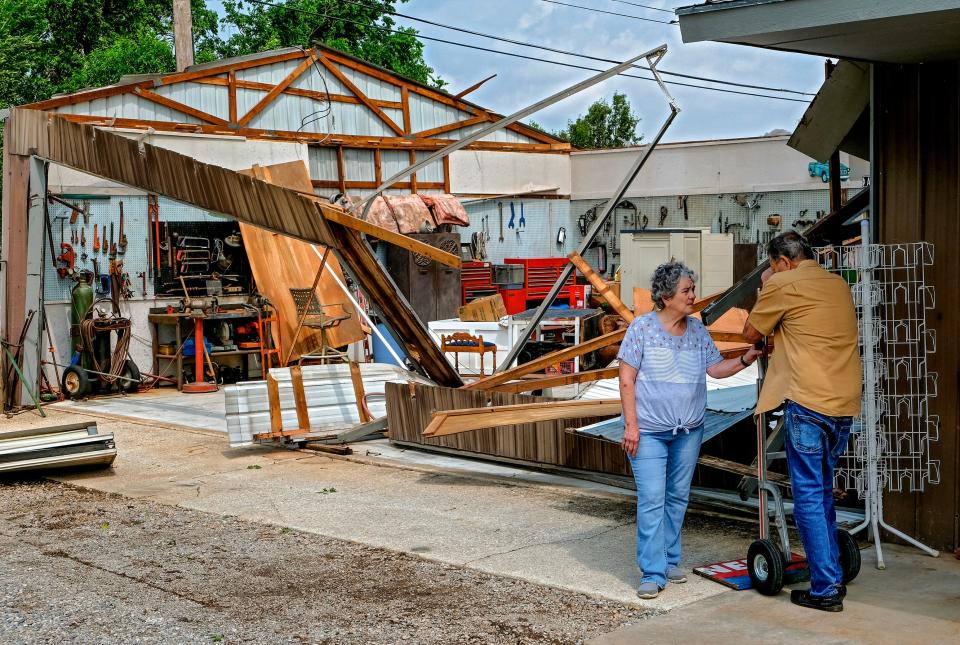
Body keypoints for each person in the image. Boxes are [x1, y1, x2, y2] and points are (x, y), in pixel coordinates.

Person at [619, 261, 760, 599]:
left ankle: (669, 560)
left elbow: (715, 368)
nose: (693, 296)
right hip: (650, 431)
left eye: (692, 289)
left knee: (677, 497)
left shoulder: (697, 330)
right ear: (666, 297)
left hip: (689, 429)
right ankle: (652, 573)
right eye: (687, 291)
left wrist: (745, 358)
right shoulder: (641, 329)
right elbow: (626, 379)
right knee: (652, 499)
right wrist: (631, 426)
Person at [742, 231, 862, 613]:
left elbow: (751, 332)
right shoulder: (837, 284)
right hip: (843, 405)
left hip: (807, 401)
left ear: (782, 261)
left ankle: (825, 589)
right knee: (823, 491)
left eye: (772, 267)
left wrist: (766, 287)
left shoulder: (782, 282)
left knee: (809, 495)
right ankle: (830, 572)